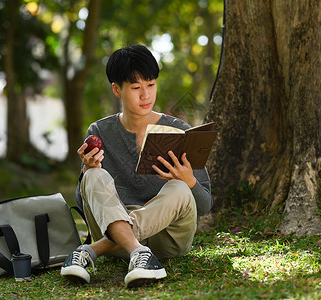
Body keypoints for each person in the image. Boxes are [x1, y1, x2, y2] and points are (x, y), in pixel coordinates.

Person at [60, 44, 212, 288]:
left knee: (180, 188)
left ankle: (92, 251)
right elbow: (83, 201)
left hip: (169, 240)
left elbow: (204, 206)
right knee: (92, 176)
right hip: (116, 233)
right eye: (136, 87)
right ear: (117, 89)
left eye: (151, 85)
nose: (146, 95)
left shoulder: (180, 130)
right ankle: (139, 254)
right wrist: (88, 170)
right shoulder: (99, 132)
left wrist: (188, 180)